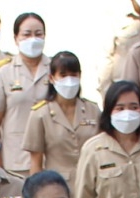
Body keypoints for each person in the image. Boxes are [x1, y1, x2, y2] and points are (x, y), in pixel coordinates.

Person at [0, 12, 52, 172]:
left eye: (38, 34)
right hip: (15, 161)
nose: (33, 39)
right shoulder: (3, 71)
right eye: (26, 35)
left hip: (50, 159)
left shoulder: (54, 69)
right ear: (16, 38)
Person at [22, 53, 100, 181]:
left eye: (73, 75)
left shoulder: (93, 110)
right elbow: (36, 161)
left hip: (92, 182)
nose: (69, 81)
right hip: (58, 185)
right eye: (63, 76)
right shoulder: (40, 114)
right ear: (52, 78)